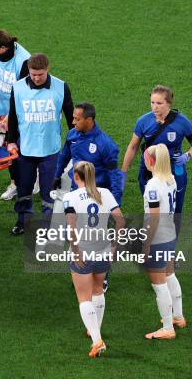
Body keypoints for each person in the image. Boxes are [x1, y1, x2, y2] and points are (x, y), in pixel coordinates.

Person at [53, 102, 125, 292]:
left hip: (98, 195)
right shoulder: (72, 135)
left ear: (89, 120)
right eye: (73, 117)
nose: (73, 121)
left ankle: (102, 276)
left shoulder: (105, 144)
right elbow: (64, 156)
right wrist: (56, 175)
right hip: (78, 191)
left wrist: (114, 202)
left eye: (77, 118)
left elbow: (115, 175)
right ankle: (81, 271)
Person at [6, 53, 74, 235]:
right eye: (33, 74)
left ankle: (49, 226)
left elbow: (71, 118)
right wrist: (11, 141)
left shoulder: (61, 87)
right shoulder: (18, 87)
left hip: (50, 149)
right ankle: (23, 222)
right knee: (24, 189)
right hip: (25, 149)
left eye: (40, 74)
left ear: (47, 69)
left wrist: (77, 142)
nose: (36, 78)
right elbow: (12, 116)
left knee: (49, 192)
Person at [64, 161, 125, 357]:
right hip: (103, 249)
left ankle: (97, 340)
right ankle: (94, 329)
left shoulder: (70, 197)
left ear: (76, 177)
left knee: (84, 297)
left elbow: (71, 226)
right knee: (98, 290)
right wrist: (114, 245)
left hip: (83, 250)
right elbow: (120, 221)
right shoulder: (105, 193)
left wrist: (75, 250)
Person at [121, 84, 192, 216]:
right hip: (149, 169)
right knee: (151, 209)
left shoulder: (182, 122)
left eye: (159, 103)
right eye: (152, 102)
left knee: (175, 211)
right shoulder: (143, 121)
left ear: (169, 103)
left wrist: (187, 156)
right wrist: (123, 172)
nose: (154, 106)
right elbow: (133, 146)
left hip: (174, 169)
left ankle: (171, 234)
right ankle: (155, 232)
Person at [140, 144, 186, 340]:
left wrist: (146, 244)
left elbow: (153, 218)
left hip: (158, 237)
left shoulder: (152, 185)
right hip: (170, 233)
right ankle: (178, 316)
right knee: (169, 274)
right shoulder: (171, 180)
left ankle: (167, 327)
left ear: (151, 161)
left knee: (158, 283)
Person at [0, 29, 31, 200]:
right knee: (8, 143)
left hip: (19, 111)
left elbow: (22, 93)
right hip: (4, 108)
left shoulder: (23, 61)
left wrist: (10, 116)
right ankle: (16, 182)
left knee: (18, 145)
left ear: (4, 47)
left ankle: (22, 183)